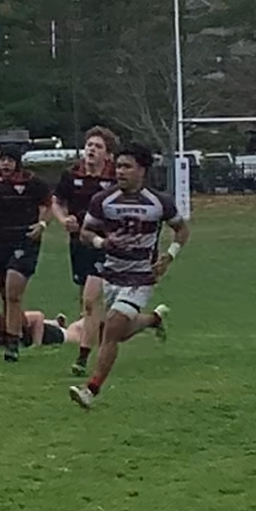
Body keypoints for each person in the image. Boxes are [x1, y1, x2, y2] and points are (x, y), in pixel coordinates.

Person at [68, 144, 188, 409]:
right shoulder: (103, 200)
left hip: (141, 277)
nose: (120, 172)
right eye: (118, 166)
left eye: (126, 167)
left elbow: (181, 231)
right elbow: (86, 232)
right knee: (117, 333)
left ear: (142, 171)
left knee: (111, 328)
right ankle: (153, 319)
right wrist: (101, 242)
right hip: (111, 275)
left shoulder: (159, 202)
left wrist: (169, 256)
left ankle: (91, 389)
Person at [0, 142, 55, 363]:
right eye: (3, 159)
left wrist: (42, 225)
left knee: (14, 293)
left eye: (10, 160)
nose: (5, 164)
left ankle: (12, 344)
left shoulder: (31, 182)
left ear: (17, 163)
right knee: (7, 298)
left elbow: (48, 203)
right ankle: (37, 331)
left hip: (26, 242)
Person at [52, 127, 119, 378]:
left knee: (91, 301)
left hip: (105, 245)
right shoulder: (71, 175)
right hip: (78, 243)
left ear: (108, 155)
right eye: (89, 144)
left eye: (98, 146)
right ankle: (106, 339)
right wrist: (63, 219)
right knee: (87, 301)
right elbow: (57, 202)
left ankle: (83, 357)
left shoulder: (115, 178)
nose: (91, 149)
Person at [0, 305, 81, 349]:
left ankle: (91, 319)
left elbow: (38, 316)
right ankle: (56, 322)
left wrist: (36, 345)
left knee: (76, 335)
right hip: (28, 332)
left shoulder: (4, 322)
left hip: (47, 335)